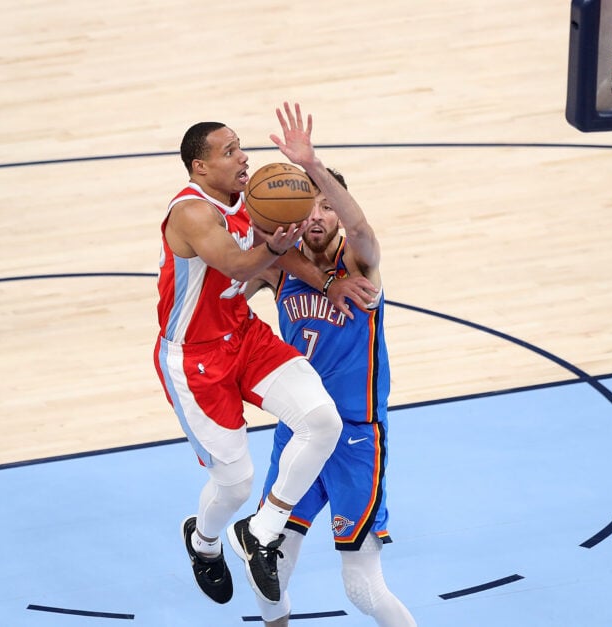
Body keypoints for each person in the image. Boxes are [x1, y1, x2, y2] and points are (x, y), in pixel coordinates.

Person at [154, 110, 379, 607]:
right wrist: (277, 244)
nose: (244, 157)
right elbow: (238, 263)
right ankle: (203, 541)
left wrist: (326, 282)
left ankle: (260, 530)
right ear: (200, 167)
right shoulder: (192, 213)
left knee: (321, 421)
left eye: (240, 147)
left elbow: (277, 253)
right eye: (230, 151)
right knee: (235, 484)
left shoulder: (246, 197)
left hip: (243, 335)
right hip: (194, 358)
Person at [244, 103, 417, 626]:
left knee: (361, 585)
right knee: (268, 568)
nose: (317, 216)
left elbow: (361, 225)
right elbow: (226, 288)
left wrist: (311, 165)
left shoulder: (361, 264)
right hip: (298, 431)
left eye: (326, 206)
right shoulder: (279, 269)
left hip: (355, 436)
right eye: (309, 206)